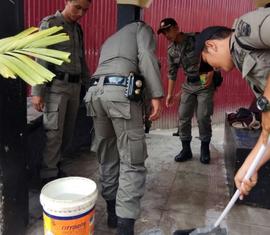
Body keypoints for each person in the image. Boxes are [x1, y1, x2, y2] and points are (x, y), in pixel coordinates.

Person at [84, 21, 163, 234]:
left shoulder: (110, 39)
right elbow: (147, 57)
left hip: (94, 94)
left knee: (108, 154)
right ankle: (125, 226)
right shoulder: (142, 28)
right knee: (132, 160)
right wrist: (156, 95)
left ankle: (112, 214)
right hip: (119, 93)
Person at [194, 7, 270, 203]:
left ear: (211, 45)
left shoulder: (245, 29)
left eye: (207, 63)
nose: (212, 69)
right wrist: (250, 165)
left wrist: (266, 102)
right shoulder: (246, 65)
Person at [31, 0, 91, 184]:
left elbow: (81, 60)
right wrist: (37, 91)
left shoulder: (77, 29)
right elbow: (41, 58)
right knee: (54, 133)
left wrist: (88, 87)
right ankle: (48, 176)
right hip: (56, 86)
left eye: (85, 10)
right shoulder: (51, 24)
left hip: (74, 87)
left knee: (67, 132)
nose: (80, 13)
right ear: (67, 1)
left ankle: (55, 167)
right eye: (77, 7)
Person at [157, 18, 215, 164]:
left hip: (203, 82)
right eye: (164, 33)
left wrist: (212, 71)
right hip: (189, 84)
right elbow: (172, 73)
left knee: (202, 116)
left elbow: (213, 54)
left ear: (176, 27)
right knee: (183, 117)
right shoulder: (171, 50)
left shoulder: (196, 39)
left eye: (168, 30)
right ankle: (186, 149)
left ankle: (204, 148)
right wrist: (170, 94)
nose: (167, 35)